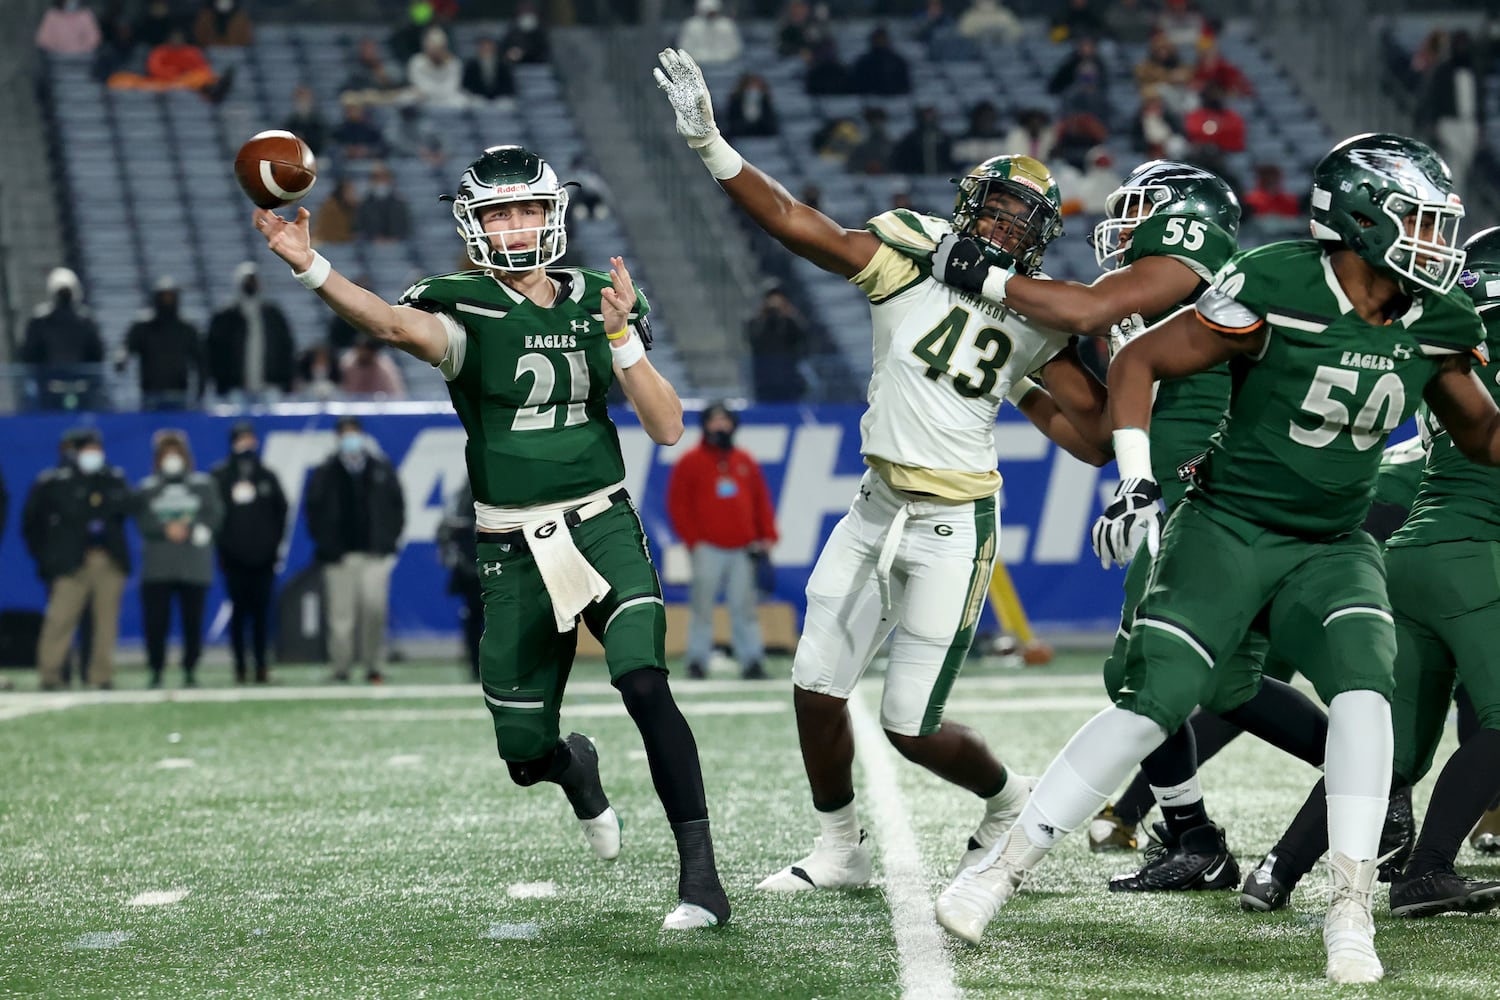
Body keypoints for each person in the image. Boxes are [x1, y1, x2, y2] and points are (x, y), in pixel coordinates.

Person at [935, 133, 1493, 986]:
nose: (1433, 241)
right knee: (1152, 699)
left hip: (1333, 544)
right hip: (1227, 523)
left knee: (1365, 687)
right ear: (1359, 220)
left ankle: (1348, 909)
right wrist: (1133, 483)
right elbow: (1140, 357)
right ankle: (1001, 867)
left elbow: (1483, 431)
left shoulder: (1441, 320)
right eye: (1416, 220)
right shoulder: (1277, 280)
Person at [655, 47, 1114, 894]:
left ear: (1041, 238)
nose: (1007, 228)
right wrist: (713, 146)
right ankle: (840, 846)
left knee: (908, 724)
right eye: (1000, 209)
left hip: (954, 520)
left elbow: (1093, 438)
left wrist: (1040, 387)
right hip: (874, 504)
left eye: (1024, 220)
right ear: (970, 205)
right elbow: (802, 225)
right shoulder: (916, 252)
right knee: (815, 685)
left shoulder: (1039, 312)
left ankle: (1009, 800)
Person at [250, 141, 730, 930]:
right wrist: (311, 268)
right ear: (474, 225)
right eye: (499, 213)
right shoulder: (458, 302)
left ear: (554, 214)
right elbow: (396, 327)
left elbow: (669, 425)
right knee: (523, 754)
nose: (514, 227)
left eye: (527, 210)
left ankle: (702, 882)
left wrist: (623, 340)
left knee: (645, 679)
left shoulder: (596, 296)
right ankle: (573, 766)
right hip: (512, 547)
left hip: (601, 522)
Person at [926, 158, 1333, 894]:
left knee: (1146, 675)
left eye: (1139, 206)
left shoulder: (1188, 259)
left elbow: (1081, 310)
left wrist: (984, 277)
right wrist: (1016, 381)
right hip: (1177, 493)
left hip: (1203, 495)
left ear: (1182, 215)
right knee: (1224, 684)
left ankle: (1349, 788)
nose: (1121, 222)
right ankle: (1210, 834)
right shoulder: (1145, 309)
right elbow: (1096, 438)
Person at [1377, 228, 1500, 917]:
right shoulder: (1463, 355)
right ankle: (1424, 858)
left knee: (1404, 726)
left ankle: (1279, 868)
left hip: (1419, 535)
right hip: (1455, 538)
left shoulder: (1439, 343)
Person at [667, 403, 779, 680]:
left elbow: (760, 501)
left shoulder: (744, 460)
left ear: (733, 425)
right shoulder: (690, 461)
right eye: (714, 420)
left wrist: (766, 535)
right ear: (705, 424)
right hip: (707, 547)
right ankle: (697, 660)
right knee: (702, 607)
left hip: (743, 547)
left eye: (724, 420)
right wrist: (694, 540)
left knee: (744, 607)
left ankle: (752, 660)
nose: (719, 426)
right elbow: (678, 505)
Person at [26, 429, 131, 690]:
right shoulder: (54, 482)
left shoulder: (113, 479)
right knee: (59, 620)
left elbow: (125, 512)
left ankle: (101, 676)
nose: (93, 454)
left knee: (106, 624)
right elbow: (32, 525)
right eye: (88, 448)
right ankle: (50, 675)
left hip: (107, 560)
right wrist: (48, 558)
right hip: (70, 563)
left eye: (97, 448)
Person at [304, 416, 404, 684]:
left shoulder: (380, 467)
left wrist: (387, 541)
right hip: (340, 556)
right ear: (337, 438)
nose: (350, 439)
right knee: (341, 616)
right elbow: (313, 511)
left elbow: (396, 507)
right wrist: (327, 545)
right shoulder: (325, 471)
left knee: (374, 610)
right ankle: (341, 667)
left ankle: (374, 665)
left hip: (374, 554)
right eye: (345, 434)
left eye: (354, 433)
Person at [133, 430, 223, 689]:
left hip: (193, 565)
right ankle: (156, 669)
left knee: (192, 622)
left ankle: (190, 668)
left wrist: (191, 527)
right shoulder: (148, 488)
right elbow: (143, 520)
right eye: (166, 453)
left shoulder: (202, 485)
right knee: (156, 622)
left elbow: (215, 515)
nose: (172, 458)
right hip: (158, 567)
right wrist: (166, 529)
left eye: (176, 452)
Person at [212, 422, 288, 685]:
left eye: (249, 438)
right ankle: (240, 667)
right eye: (241, 439)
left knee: (261, 615)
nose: (246, 444)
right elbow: (215, 518)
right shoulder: (220, 477)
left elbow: (281, 513)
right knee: (239, 614)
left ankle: (262, 665)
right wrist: (225, 548)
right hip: (233, 559)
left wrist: (272, 546)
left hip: (264, 559)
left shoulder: (267, 476)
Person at [206, 262, 295, 398]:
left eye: (254, 281)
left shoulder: (273, 316)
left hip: (270, 387)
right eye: (247, 281)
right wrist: (221, 382)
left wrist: (286, 381)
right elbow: (214, 353)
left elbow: (286, 349)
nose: (251, 284)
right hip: (234, 389)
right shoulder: (225, 317)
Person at [21, 267, 104, 410]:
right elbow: (98, 353)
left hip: (70, 387)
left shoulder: (85, 320)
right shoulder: (41, 320)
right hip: (56, 388)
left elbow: (97, 353)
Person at [119, 276, 205, 408]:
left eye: (170, 297)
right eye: (163, 297)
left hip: (179, 395)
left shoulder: (187, 329)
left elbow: (200, 362)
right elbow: (126, 347)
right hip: (150, 394)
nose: (167, 301)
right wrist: (121, 358)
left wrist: (200, 394)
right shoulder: (143, 327)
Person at [436, 480, 481, 682]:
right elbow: (445, 528)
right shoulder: (463, 492)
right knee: (474, 618)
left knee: (504, 619)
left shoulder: (505, 483)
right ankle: (476, 666)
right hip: (472, 566)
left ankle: (502, 667)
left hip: (501, 562)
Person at [407, 26, 466, 108]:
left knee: (461, 101)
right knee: (407, 99)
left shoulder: (454, 63)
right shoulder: (416, 62)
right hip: (423, 102)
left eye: (440, 48)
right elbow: (420, 86)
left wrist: (429, 92)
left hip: (448, 101)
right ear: (426, 47)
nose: (437, 52)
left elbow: (451, 89)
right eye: (433, 48)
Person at [354, 163, 412, 242]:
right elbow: (359, 229)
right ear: (371, 181)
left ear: (390, 180)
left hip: (396, 245)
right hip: (371, 246)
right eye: (377, 178)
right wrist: (374, 238)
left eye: (384, 178)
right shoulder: (363, 205)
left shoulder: (400, 204)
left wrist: (393, 238)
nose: (381, 182)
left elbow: (406, 228)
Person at [848, 26, 910, 97]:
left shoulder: (898, 61)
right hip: (871, 98)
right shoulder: (863, 62)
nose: (880, 41)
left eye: (883, 39)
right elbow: (858, 85)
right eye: (878, 39)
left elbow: (905, 85)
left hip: (895, 99)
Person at [677, 0, 742, 66]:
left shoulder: (727, 25)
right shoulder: (690, 26)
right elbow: (684, 48)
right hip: (697, 64)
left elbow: (735, 48)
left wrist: (721, 57)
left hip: (724, 65)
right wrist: (700, 57)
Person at [338, 336, 407, 398]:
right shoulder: (346, 364)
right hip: (351, 407)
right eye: (361, 349)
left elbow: (396, 394)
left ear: (374, 352)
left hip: (379, 407)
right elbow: (338, 391)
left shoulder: (385, 367)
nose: (364, 353)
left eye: (367, 350)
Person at [36, 0, 102, 56]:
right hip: (57, 60)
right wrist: (57, 49)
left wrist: (81, 49)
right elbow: (43, 39)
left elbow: (94, 38)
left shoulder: (85, 15)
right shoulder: (52, 15)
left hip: (82, 59)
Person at [724, 74, 779, 140]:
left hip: (762, 130)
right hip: (740, 130)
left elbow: (769, 119)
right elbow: (732, 119)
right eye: (750, 85)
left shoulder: (765, 101)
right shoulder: (735, 100)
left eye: (755, 86)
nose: (753, 88)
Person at [281, 86, 329, 159]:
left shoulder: (319, 121)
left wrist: (306, 138)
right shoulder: (290, 122)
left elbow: (323, 140)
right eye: (299, 100)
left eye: (305, 99)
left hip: (316, 155)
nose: (302, 103)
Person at [462, 36, 514, 102]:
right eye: (483, 47)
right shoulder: (471, 65)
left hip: (500, 98)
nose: (486, 49)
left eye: (488, 47)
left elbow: (508, 85)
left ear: (494, 48)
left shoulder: (503, 64)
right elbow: (467, 85)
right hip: (478, 98)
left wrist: (499, 96)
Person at [312, 179, 360, 245]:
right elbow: (331, 232)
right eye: (350, 192)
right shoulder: (331, 207)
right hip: (330, 243)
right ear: (342, 193)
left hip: (344, 242)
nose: (354, 195)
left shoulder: (352, 207)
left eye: (354, 192)